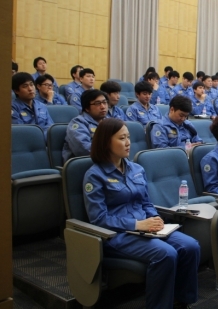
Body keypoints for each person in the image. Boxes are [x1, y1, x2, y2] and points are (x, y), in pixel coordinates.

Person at [83, 118, 199, 309]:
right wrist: (137, 225)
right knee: (166, 254)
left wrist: (156, 219)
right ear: (105, 142)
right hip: (117, 235)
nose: (128, 142)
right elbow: (99, 219)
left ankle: (181, 301)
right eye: (122, 138)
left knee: (190, 246)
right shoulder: (95, 175)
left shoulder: (136, 169)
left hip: (146, 228)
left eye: (129, 137)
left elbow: (146, 202)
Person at [62, 89, 108, 162]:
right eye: (97, 103)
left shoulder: (109, 121)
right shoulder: (78, 123)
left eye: (104, 102)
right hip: (84, 165)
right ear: (86, 108)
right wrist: (112, 152)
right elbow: (83, 149)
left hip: (107, 162)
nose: (103, 106)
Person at [11, 72, 54, 139]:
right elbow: (20, 132)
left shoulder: (42, 106)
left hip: (44, 143)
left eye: (31, 85)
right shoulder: (13, 107)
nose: (30, 89)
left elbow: (50, 127)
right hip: (26, 144)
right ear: (16, 91)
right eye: (25, 86)